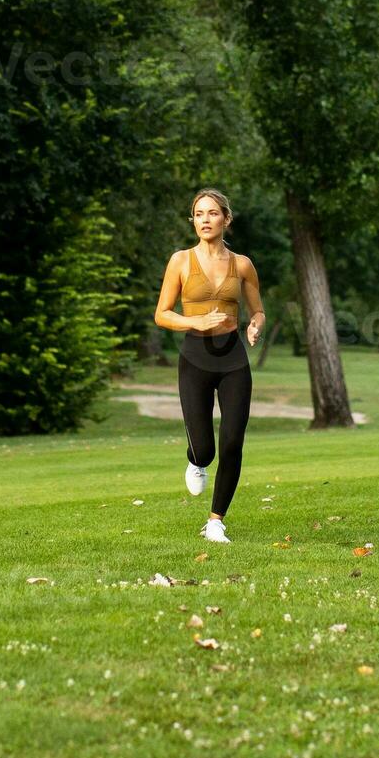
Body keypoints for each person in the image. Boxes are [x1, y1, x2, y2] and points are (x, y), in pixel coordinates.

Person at [151, 188, 264, 543]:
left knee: (232, 439)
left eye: (212, 213)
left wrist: (255, 323)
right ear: (193, 220)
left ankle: (216, 522)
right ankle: (196, 460)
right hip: (195, 358)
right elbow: (162, 314)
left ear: (226, 219)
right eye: (199, 214)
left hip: (232, 358)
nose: (205, 220)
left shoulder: (242, 264)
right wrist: (193, 323)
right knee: (205, 448)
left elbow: (257, 308)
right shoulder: (180, 261)